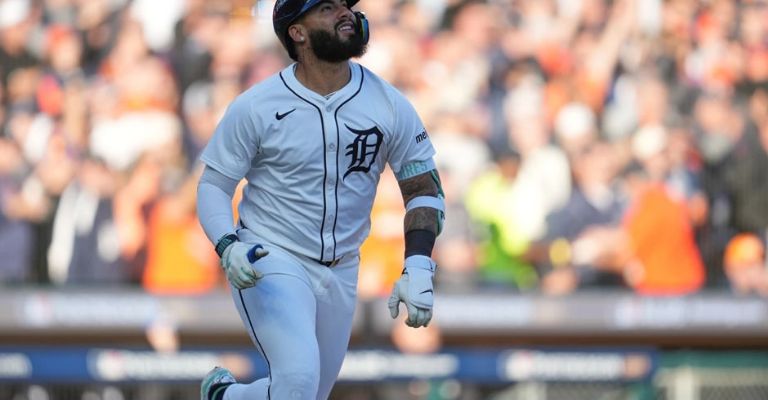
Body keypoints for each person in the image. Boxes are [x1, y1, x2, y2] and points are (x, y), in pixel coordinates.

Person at [195, 1, 445, 399]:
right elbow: (213, 185)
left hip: (343, 267)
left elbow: (423, 189)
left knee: (307, 393)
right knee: (297, 382)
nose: (346, 13)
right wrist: (227, 245)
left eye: (346, 6)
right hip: (270, 255)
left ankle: (227, 397)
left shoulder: (388, 102)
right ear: (298, 32)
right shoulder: (256, 106)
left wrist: (418, 264)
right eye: (328, 8)